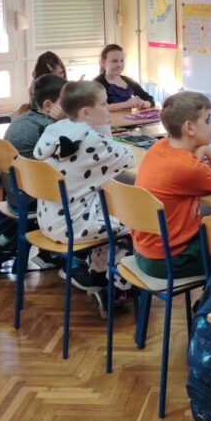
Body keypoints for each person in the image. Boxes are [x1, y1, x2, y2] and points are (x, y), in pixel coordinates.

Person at [32, 80, 136, 315]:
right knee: (134, 227)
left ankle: (97, 277)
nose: (108, 108)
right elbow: (128, 157)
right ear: (87, 112)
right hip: (73, 225)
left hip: (48, 220)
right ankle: (114, 292)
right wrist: (104, 127)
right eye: (104, 104)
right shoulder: (91, 142)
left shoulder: (54, 130)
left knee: (109, 217)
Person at [132, 91, 211, 279]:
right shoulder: (187, 168)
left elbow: (187, 170)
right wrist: (210, 154)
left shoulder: (159, 147)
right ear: (190, 127)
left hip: (144, 250)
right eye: (208, 120)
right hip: (168, 260)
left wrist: (198, 157)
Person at [5, 74, 66, 158]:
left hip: (13, 165)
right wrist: (64, 118)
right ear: (48, 105)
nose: (70, 106)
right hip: (35, 166)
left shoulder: (28, 115)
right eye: (65, 102)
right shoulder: (48, 126)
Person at [93, 44, 154, 111]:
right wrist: (126, 104)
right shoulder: (96, 83)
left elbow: (149, 99)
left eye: (122, 60)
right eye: (114, 61)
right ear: (103, 62)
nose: (119, 65)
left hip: (129, 117)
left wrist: (144, 103)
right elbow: (99, 107)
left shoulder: (129, 81)